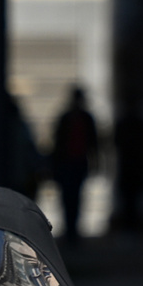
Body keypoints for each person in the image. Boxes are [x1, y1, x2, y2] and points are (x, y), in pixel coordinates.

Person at [50, 85, 100, 246]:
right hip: (69, 163)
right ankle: (71, 231)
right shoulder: (73, 119)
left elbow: (93, 144)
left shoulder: (81, 119)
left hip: (77, 163)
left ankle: (73, 232)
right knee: (69, 198)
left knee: (74, 198)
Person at [113, 99, 143, 234]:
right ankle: (132, 229)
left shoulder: (127, 124)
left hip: (130, 167)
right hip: (134, 168)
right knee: (133, 201)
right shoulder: (140, 124)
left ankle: (130, 229)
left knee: (130, 201)